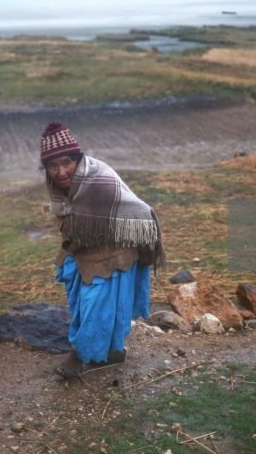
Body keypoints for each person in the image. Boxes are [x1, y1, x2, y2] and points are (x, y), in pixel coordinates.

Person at [39, 121, 165, 379]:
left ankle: (78, 356)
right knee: (85, 304)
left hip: (115, 253)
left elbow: (139, 211)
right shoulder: (58, 188)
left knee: (97, 304)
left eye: (66, 163)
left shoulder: (97, 179)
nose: (61, 172)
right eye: (53, 166)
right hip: (85, 251)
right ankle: (111, 351)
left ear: (78, 159)